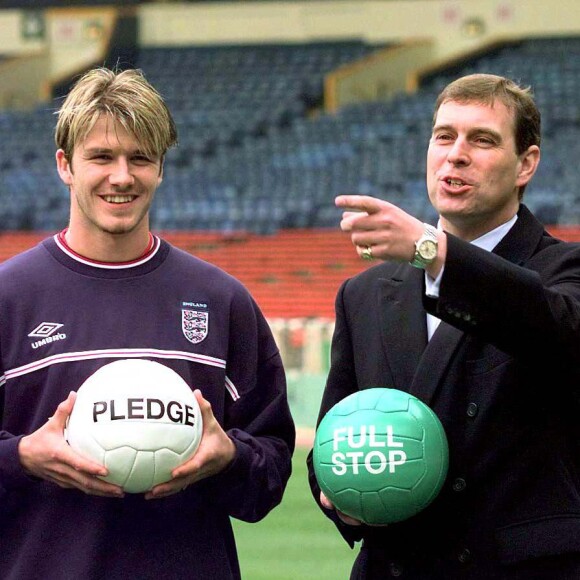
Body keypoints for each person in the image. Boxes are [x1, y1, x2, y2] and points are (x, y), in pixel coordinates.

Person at [0, 67, 295, 580]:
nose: (122, 176)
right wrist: (21, 457)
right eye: (101, 157)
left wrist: (228, 458)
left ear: (160, 167)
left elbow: (269, 475)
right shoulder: (9, 297)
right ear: (65, 165)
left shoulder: (221, 301)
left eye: (140, 158)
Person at [307, 73, 580, 578]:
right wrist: (337, 494)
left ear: (527, 164)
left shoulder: (564, 273)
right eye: (444, 136)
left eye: (482, 139)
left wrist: (432, 254)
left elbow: (550, 328)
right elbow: (336, 431)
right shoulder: (364, 294)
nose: (456, 154)